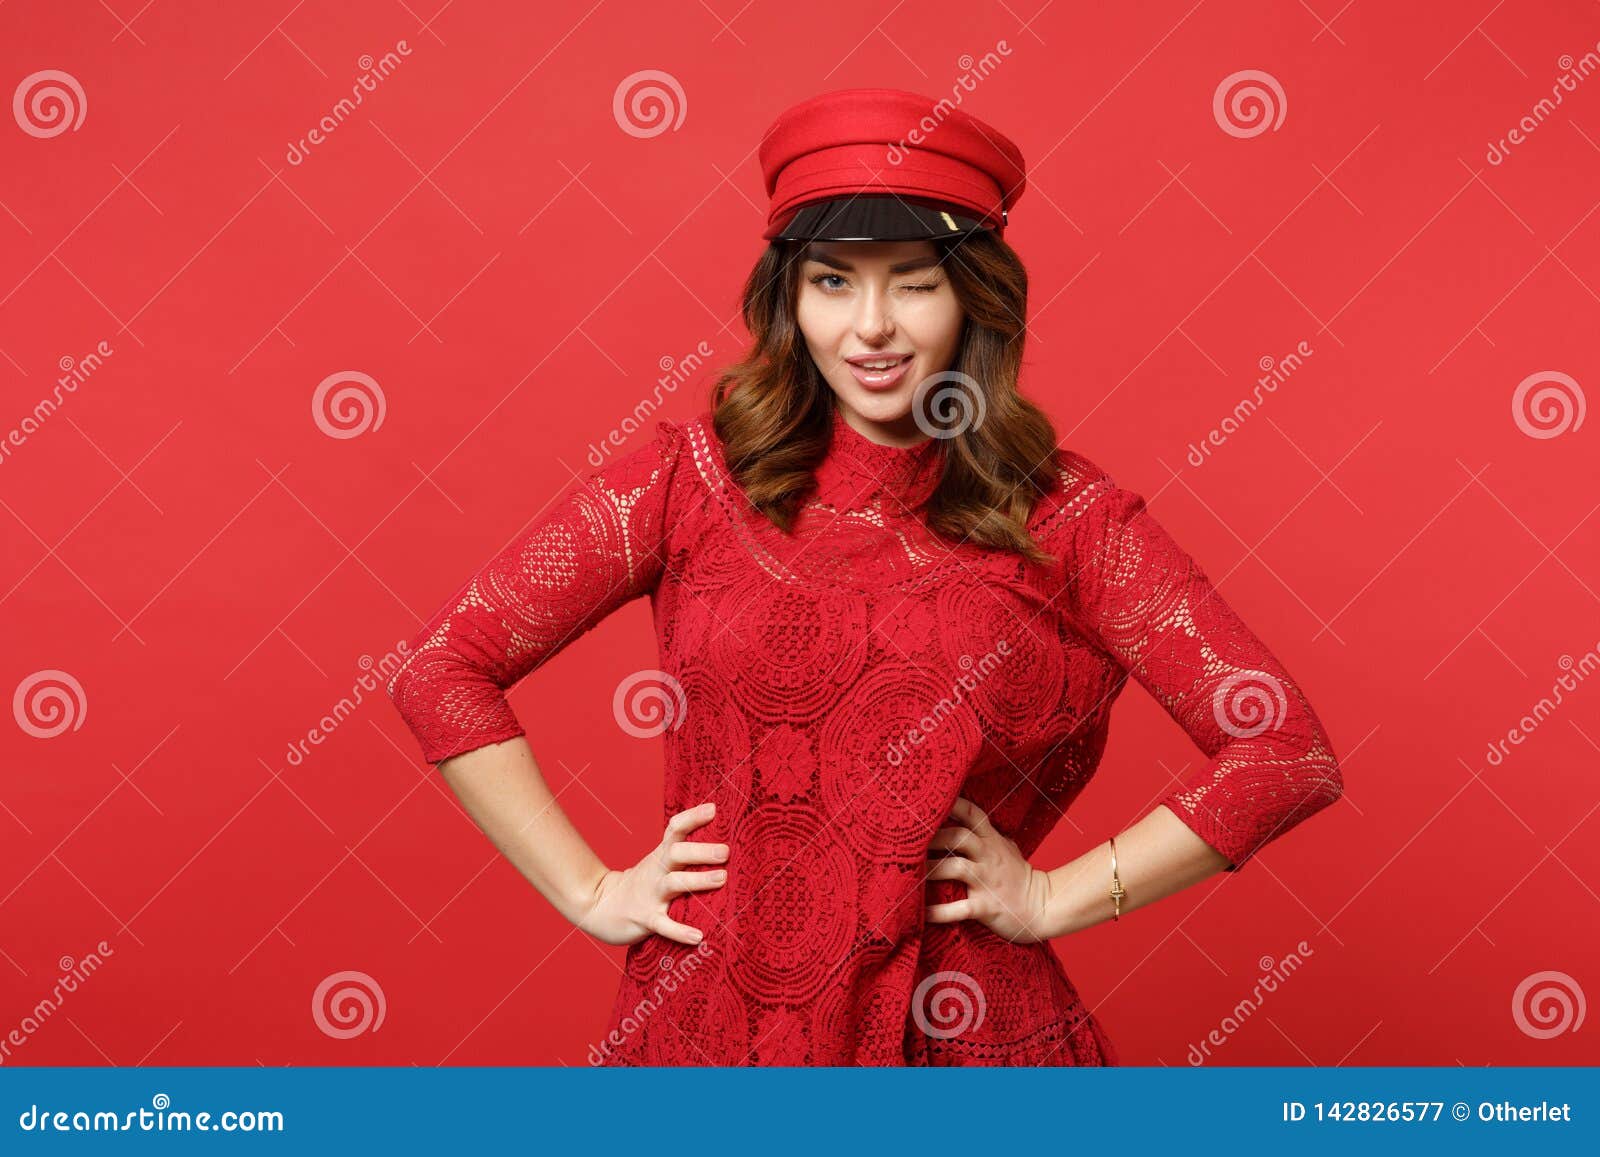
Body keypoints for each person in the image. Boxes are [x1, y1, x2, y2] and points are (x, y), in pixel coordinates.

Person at [385, 87, 1344, 1066]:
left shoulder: (1067, 520)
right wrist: (588, 889)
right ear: (788, 298)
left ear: (975, 296)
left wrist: (1059, 891)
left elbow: (1283, 751)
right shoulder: (686, 483)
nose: (871, 325)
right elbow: (439, 669)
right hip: (715, 1035)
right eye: (834, 282)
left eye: (914, 282)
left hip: (964, 1040)